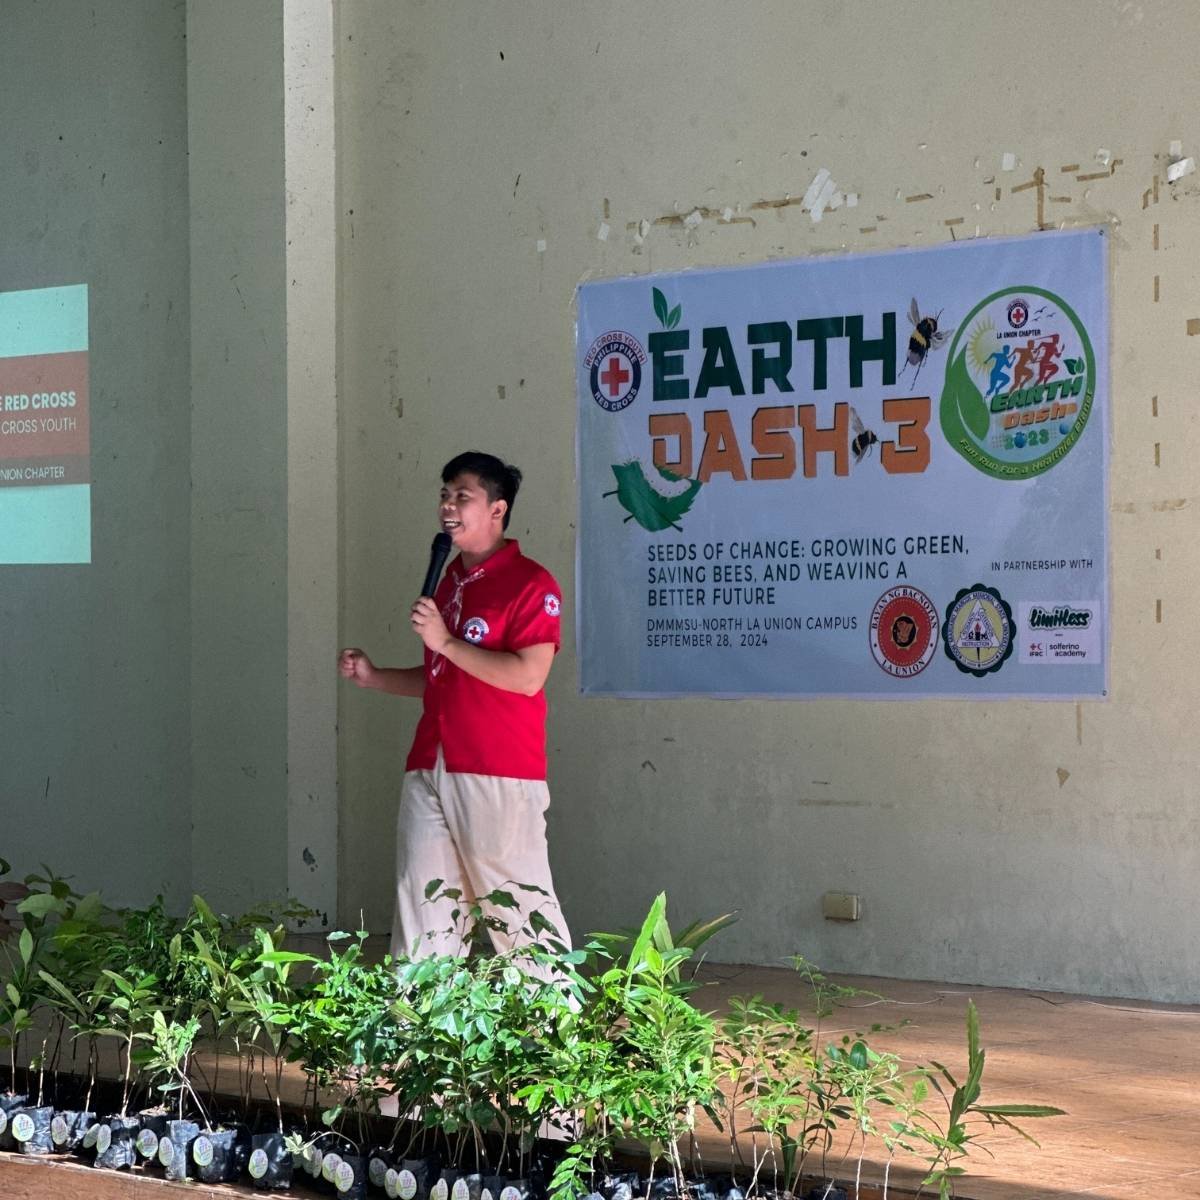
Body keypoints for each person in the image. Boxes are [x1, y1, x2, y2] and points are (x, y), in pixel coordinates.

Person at [339, 451, 572, 964]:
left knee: (518, 907)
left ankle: (553, 1012)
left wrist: (444, 642)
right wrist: (375, 677)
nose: (447, 505)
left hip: (497, 768)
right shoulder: (449, 582)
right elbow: (444, 680)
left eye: (462, 496)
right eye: (444, 495)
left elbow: (528, 677)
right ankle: (418, 1012)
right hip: (430, 761)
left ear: (497, 509)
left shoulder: (531, 583)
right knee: (423, 903)